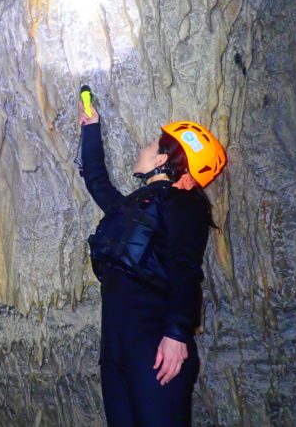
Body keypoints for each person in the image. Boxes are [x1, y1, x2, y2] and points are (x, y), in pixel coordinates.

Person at [78, 101, 226, 426]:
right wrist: (90, 128)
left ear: (161, 160)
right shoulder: (134, 207)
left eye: (149, 144)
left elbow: (185, 268)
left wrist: (177, 335)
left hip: (155, 346)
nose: (142, 149)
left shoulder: (183, 203)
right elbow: (97, 182)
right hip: (117, 347)